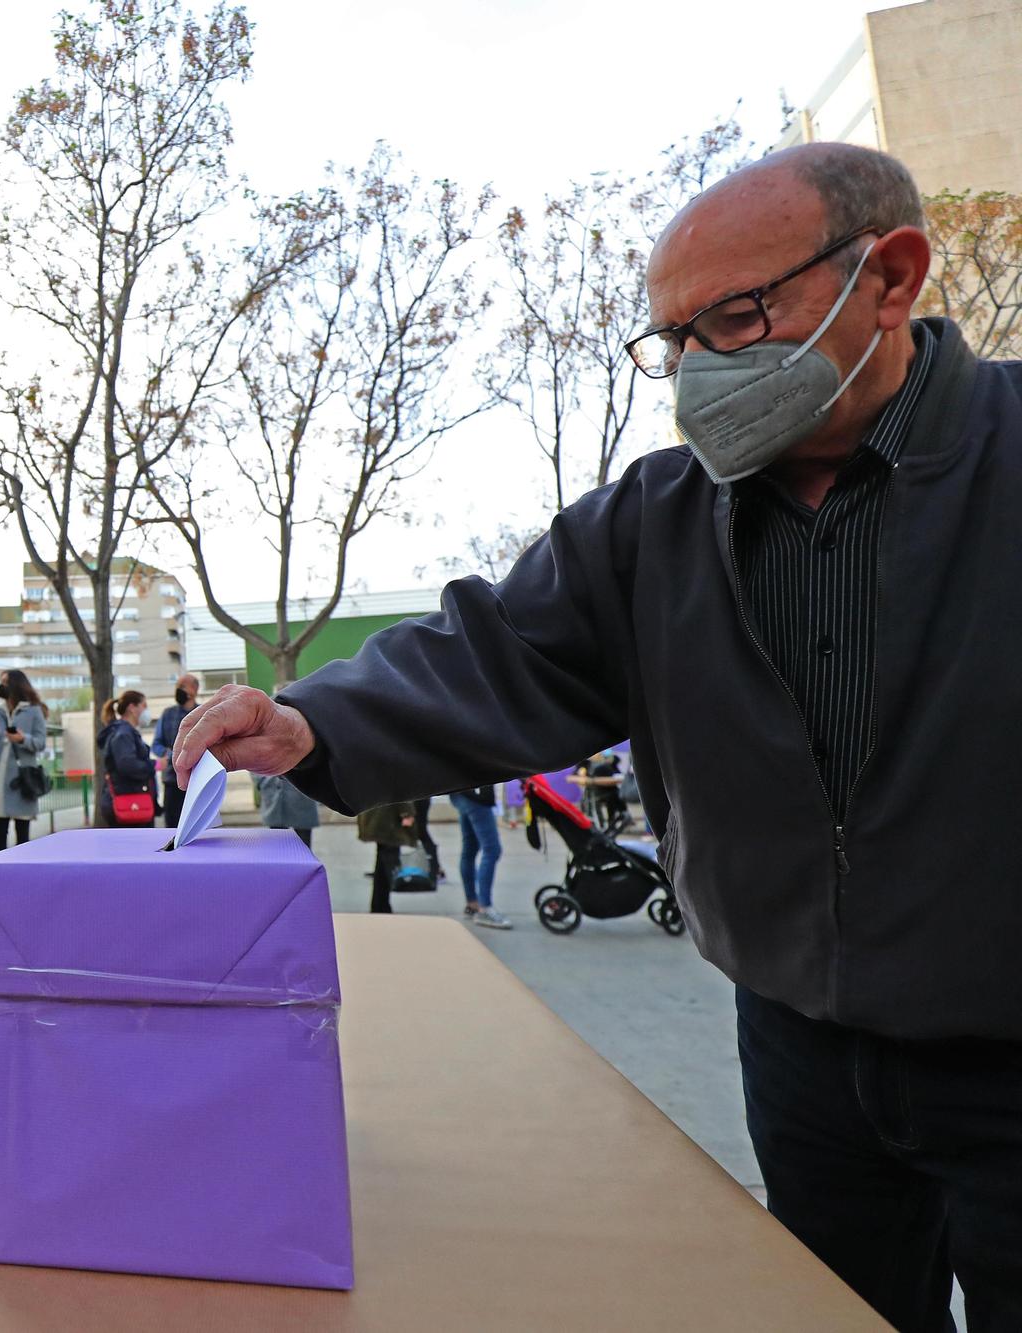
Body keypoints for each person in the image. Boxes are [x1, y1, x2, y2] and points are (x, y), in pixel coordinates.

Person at [169, 143, 1022, 1331]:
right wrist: (311, 716)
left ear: (888, 277)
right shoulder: (649, 524)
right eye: (669, 340)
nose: (690, 372)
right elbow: (493, 652)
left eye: (730, 318)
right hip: (799, 1043)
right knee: (836, 1308)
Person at [0, 668, 48, 850]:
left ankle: (21, 875)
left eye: (6, 682)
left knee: (22, 833)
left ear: (16, 685)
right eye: (1, 682)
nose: (2, 686)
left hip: (21, 781)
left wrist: (23, 739)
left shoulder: (33, 711)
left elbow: (40, 742)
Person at [448, 786, 510, 928]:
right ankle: (484, 907)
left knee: (469, 848)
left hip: (462, 793)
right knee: (492, 849)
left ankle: (473, 903)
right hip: (477, 794)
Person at [96, 690, 155, 828]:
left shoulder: (125, 732)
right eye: (144, 705)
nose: (146, 711)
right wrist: (154, 765)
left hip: (130, 801)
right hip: (130, 803)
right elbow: (127, 765)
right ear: (132, 708)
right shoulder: (123, 733)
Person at [152, 673, 200, 828]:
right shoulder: (168, 714)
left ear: (194, 689)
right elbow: (156, 744)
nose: (177, 690)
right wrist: (169, 755)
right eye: (176, 687)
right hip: (172, 780)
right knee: (172, 826)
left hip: (197, 780)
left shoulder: (204, 714)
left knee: (196, 825)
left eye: (181, 686)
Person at [356, 802, 418, 914]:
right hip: (389, 817)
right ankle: (381, 905)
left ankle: (379, 904)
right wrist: (407, 812)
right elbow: (398, 788)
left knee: (382, 861)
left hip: (376, 813)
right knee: (387, 862)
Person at [253, 771, 319, 850]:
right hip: (274, 793)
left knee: (303, 850)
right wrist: (262, 781)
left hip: (302, 793)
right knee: (278, 849)